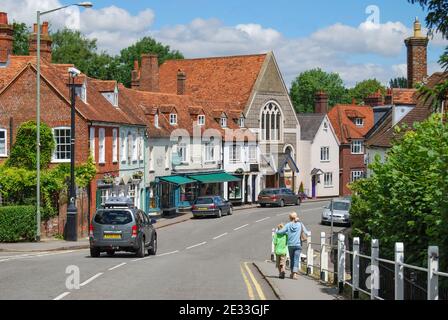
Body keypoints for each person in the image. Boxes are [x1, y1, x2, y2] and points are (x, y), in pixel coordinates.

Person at [277, 212, 309, 280]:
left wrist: (277, 231)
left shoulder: (288, 225)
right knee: (296, 259)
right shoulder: (300, 224)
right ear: (296, 217)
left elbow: (280, 232)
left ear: (290, 218)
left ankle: (292, 273)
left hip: (290, 245)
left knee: (292, 259)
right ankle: (295, 274)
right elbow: (307, 232)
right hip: (298, 244)